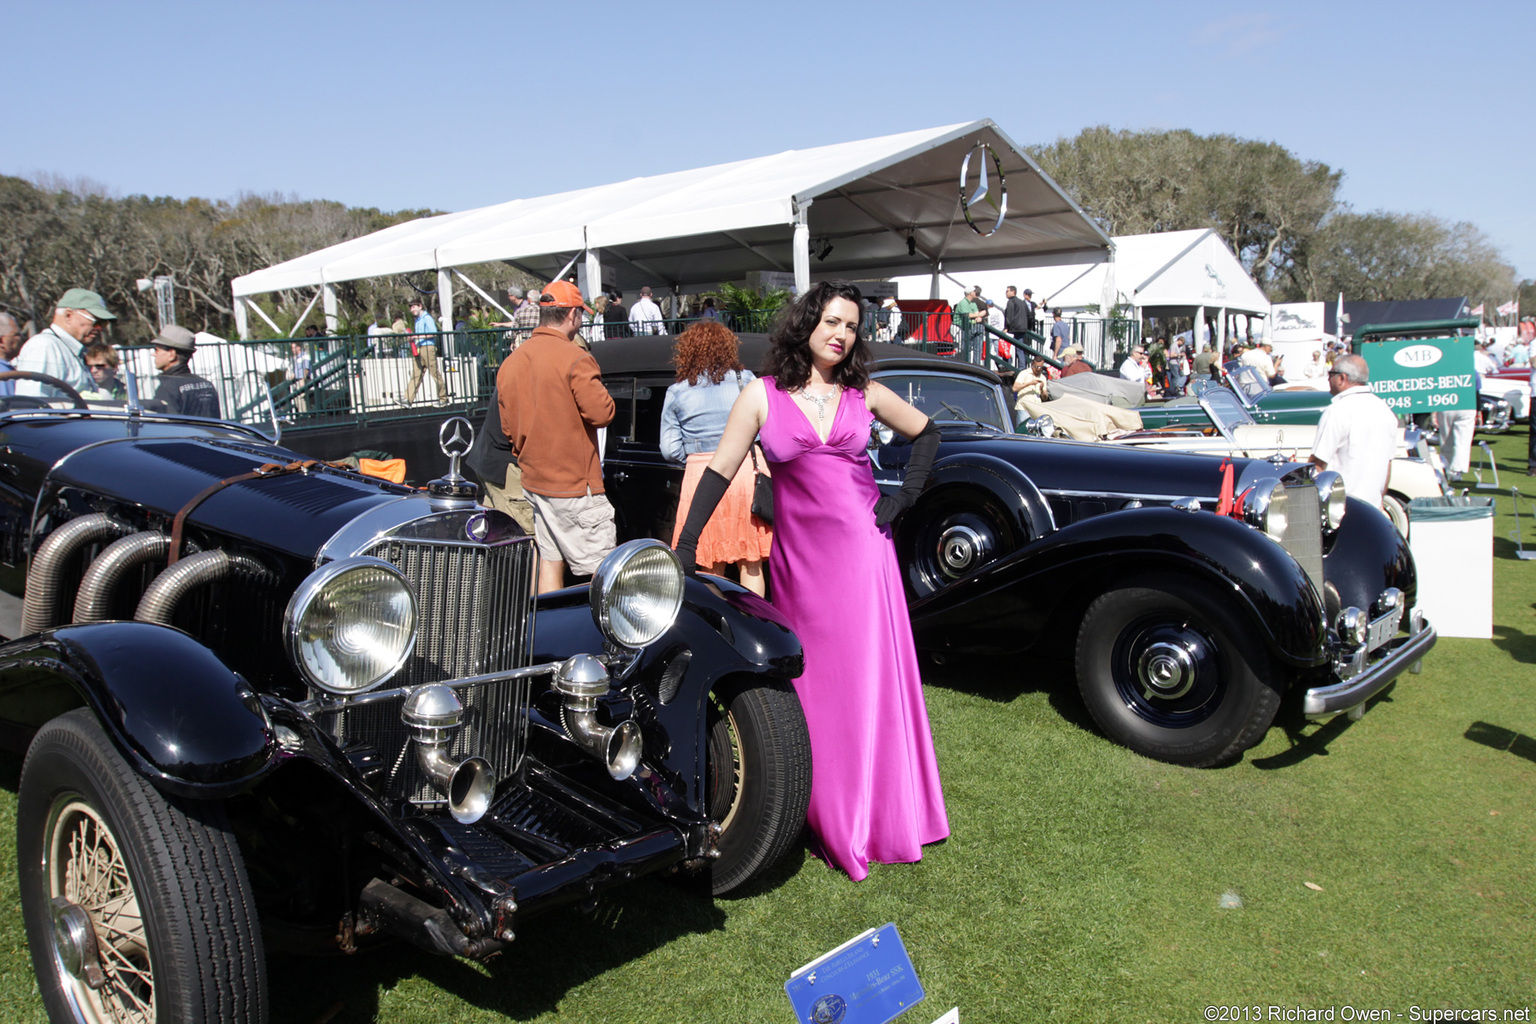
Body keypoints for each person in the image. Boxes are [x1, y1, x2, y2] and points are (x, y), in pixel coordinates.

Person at [671, 280, 949, 882]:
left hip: (865, 553)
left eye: (850, 325)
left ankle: (882, 814)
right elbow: (720, 470)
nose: (841, 334)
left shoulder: (865, 391)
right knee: (820, 684)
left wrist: (904, 497)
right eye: (831, 321)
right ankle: (825, 811)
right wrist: (688, 545)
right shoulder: (761, 395)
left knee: (869, 681)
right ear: (806, 325)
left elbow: (928, 434)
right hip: (803, 563)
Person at [497, 281, 616, 593]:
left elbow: (507, 429)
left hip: (536, 483)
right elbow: (602, 414)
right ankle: (598, 641)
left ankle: (549, 637)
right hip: (576, 486)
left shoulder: (511, 363)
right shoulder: (575, 358)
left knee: (549, 562)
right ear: (574, 315)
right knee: (603, 574)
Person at [660, 321, 772, 596]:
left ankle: (719, 630)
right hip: (745, 470)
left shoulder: (677, 392)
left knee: (710, 564)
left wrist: (696, 452)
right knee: (751, 562)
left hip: (701, 475)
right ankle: (755, 625)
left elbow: (669, 450)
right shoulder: (745, 379)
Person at [1311, 354, 1399, 511]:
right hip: (1372, 509)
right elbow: (1388, 465)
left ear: (1342, 378)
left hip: (1340, 507)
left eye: (1331, 374)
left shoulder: (1337, 411)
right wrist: (1379, 501)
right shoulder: (1385, 411)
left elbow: (1318, 464)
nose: (1328, 379)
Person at [16, 287, 113, 399]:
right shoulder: (45, 346)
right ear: (68, 316)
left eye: (103, 323)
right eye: (96, 321)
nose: (100, 328)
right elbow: (33, 404)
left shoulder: (72, 350)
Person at [150, 325, 221, 417]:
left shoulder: (168, 387)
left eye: (157, 350)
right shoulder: (207, 385)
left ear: (171, 354)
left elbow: (165, 426)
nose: (153, 354)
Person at [404, 299, 449, 405]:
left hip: (428, 347)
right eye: (411, 308)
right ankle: (407, 399)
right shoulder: (418, 320)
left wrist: (417, 336)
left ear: (420, 306)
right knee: (416, 374)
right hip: (419, 348)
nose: (412, 309)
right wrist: (413, 338)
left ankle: (443, 398)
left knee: (434, 373)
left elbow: (433, 333)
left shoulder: (427, 318)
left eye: (414, 307)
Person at [0, 313, 21, 398]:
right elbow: (9, 409)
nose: (20, 338)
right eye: (16, 335)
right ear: (1, 341)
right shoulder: (5, 374)